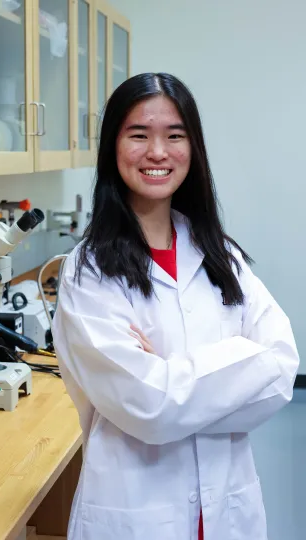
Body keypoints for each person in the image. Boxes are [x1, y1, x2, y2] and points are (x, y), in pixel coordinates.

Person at [52, 72, 299, 540]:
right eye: (139, 135)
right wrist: (240, 359)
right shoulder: (88, 271)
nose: (158, 152)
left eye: (175, 135)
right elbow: (150, 407)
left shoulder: (220, 254)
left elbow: (282, 369)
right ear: (113, 147)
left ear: (194, 148)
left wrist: (168, 372)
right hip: (137, 513)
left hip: (228, 512)